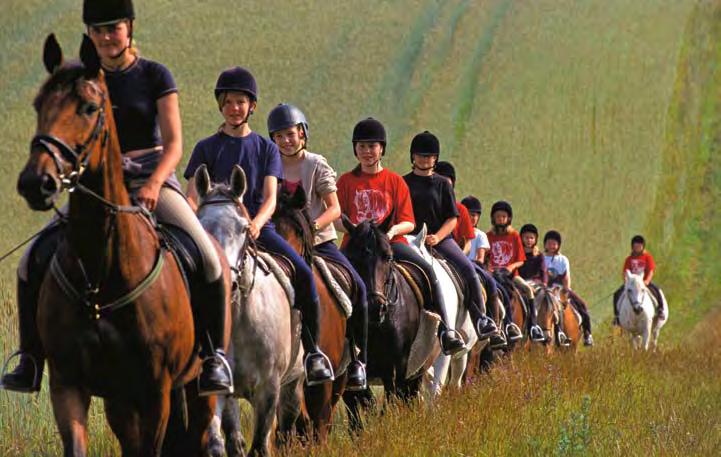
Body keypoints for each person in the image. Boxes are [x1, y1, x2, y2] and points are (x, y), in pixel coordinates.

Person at [1, 0, 233, 395]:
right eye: (98, 30)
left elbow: (174, 144)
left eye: (113, 27)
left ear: (129, 28)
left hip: (152, 181)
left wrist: (155, 183)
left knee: (208, 257)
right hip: (96, 188)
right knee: (30, 261)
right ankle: (30, 358)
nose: (107, 36)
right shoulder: (80, 80)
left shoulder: (154, 75)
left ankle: (214, 358)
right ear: (89, 36)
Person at [184, 68, 333, 386]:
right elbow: (192, 195)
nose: (234, 108)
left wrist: (256, 223)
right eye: (228, 102)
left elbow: (270, 197)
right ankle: (191, 355)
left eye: (241, 101)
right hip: (214, 233)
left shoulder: (265, 149)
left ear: (252, 106)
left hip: (258, 229)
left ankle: (313, 353)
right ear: (220, 106)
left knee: (305, 275)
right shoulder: (205, 148)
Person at [335, 119, 492, 355]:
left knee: (427, 271)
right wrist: (355, 230)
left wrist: (390, 232)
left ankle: (446, 331)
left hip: (390, 244)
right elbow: (338, 216)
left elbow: (408, 221)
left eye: (372, 146)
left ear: (382, 149)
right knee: (327, 276)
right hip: (356, 246)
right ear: (355, 149)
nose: (367, 151)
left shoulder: (395, 181)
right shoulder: (346, 181)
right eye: (362, 146)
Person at [267, 103, 368, 390]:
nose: (286, 140)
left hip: (319, 242)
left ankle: (359, 359)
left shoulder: (316, 164)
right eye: (280, 136)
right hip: (278, 242)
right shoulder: (269, 166)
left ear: (302, 133)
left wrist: (311, 228)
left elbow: (335, 209)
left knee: (359, 288)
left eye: (291, 134)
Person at [402, 136, 502, 348]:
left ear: (435, 158)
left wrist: (437, 236)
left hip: (440, 239)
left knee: (468, 269)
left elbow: (452, 218)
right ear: (413, 156)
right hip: (410, 239)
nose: (424, 159)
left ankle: (481, 319)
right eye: (420, 155)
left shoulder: (442, 184)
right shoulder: (403, 183)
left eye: (429, 156)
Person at [435, 163, 520, 342]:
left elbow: (467, 243)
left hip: (455, 254)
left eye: (447, 181)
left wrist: (458, 254)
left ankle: (491, 324)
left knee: (488, 280)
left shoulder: (461, 210)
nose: (443, 184)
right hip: (426, 250)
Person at [486, 201, 544, 342]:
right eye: (498, 216)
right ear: (493, 218)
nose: (501, 219)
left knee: (528, 290)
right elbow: (486, 257)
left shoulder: (514, 236)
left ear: (509, 219)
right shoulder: (489, 236)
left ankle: (533, 326)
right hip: (493, 274)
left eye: (504, 216)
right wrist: (490, 269)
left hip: (512, 275)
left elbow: (521, 260)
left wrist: (510, 268)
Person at [543, 230, 593, 346]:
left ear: (558, 245)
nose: (551, 246)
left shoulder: (563, 259)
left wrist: (566, 289)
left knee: (582, 305)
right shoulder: (542, 258)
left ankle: (587, 333)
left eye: (554, 244)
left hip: (561, 289)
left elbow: (566, 276)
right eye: (549, 243)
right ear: (545, 244)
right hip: (546, 290)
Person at [612, 235, 666, 324]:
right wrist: (626, 282)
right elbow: (625, 272)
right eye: (635, 246)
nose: (637, 248)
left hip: (643, 282)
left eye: (639, 246)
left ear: (643, 247)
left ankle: (660, 309)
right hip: (632, 283)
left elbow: (651, 271)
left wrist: (647, 281)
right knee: (616, 294)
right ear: (632, 247)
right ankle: (617, 316)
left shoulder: (647, 257)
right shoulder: (629, 259)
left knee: (656, 290)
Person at [460, 196, 490, 264]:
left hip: (473, 266)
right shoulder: (458, 234)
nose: (471, 218)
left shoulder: (480, 235)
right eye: (468, 215)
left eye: (474, 215)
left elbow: (480, 259)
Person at [518, 224, 548, 288]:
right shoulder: (517, 254)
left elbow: (544, 271)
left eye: (532, 238)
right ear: (521, 238)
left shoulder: (539, 255)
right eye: (526, 238)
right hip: (520, 282)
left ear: (535, 239)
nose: (529, 240)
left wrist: (544, 283)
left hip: (535, 283)